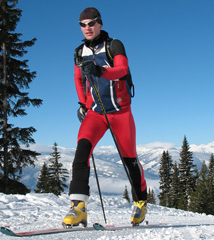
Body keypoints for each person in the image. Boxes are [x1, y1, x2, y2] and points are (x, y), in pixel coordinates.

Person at [63, 7, 147, 227]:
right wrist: (82, 103)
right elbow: (78, 79)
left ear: (100, 24)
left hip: (120, 113)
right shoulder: (78, 52)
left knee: (130, 160)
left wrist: (100, 70)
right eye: (83, 24)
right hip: (96, 113)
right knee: (82, 152)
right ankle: (78, 207)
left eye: (91, 23)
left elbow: (122, 70)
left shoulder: (114, 45)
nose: (87, 28)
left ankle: (140, 203)